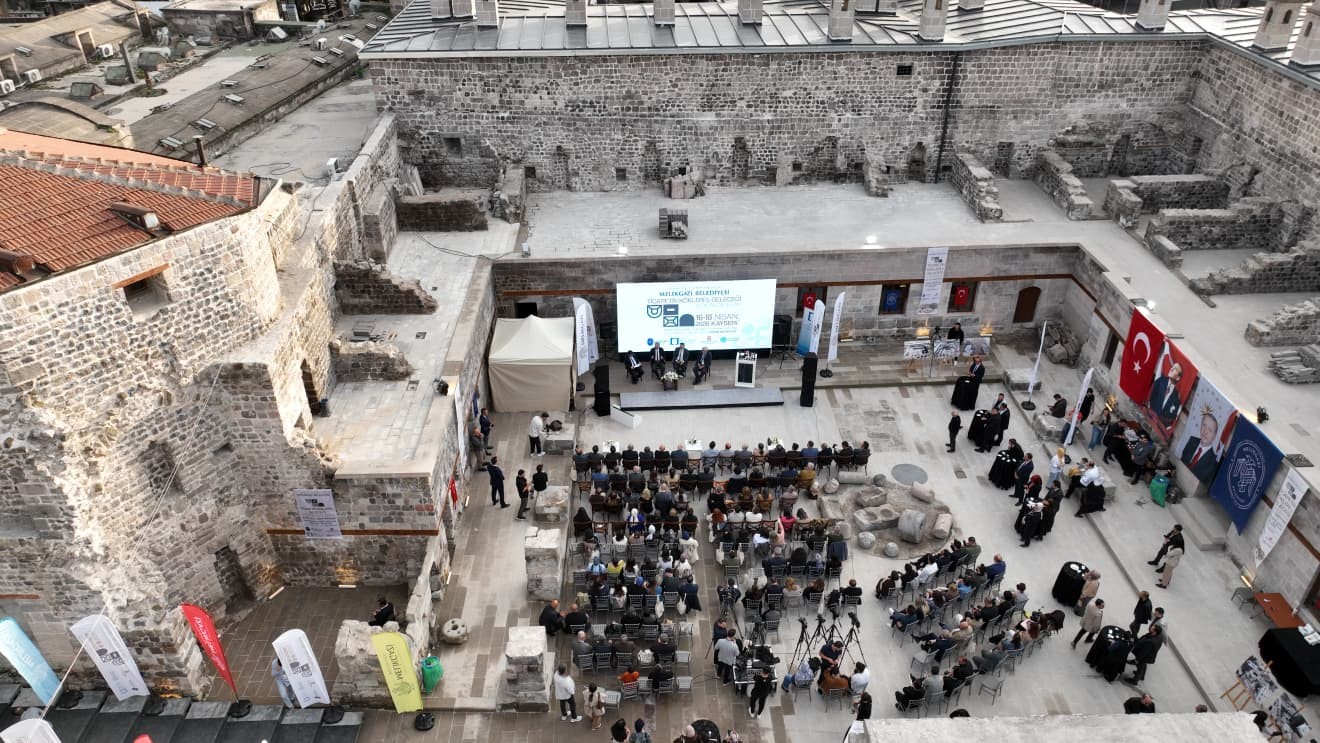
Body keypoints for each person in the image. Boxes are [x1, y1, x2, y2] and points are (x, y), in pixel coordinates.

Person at [1180, 412, 1222, 482]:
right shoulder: (1192, 441)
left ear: (1214, 436)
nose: (1205, 432)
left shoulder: (1213, 462)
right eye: (1204, 425)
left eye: (1210, 430)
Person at [1148, 362, 1184, 428]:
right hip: (1151, 415)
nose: (1171, 369)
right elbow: (1151, 395)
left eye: (1175, 369)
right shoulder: (1160, 381)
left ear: (1178, 378)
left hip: (1161, 423)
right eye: (1172, 367)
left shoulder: (1176, 395)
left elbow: (1172, 415)